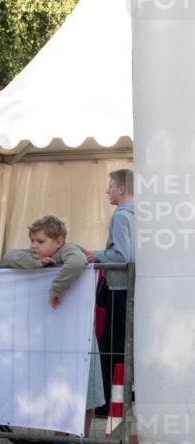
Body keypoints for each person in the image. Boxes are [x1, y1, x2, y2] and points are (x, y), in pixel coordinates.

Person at [2, 215, 104, 444]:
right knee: (59, 386)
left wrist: (55, 288)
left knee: (87, 388)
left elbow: (77, 261)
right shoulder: (37, 256)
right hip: (55, 335)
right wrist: (37, 263)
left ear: (59, 241)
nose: (33, 246)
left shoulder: (69, 251)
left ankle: (81, 436)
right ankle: (60, 438)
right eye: (32, 241)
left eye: (40, 241)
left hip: (81, 333)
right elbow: (9, 257)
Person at [87, 169, 133, 418]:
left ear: (121, 189)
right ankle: (119, 403)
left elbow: (123, 255)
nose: (107, 190)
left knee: (112, 349)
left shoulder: (121, 216)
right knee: (117, 346)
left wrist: (95, 255)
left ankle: (111, 406)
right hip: (131, 289)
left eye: (110, 186)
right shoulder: (143, 214)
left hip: (119, 288)